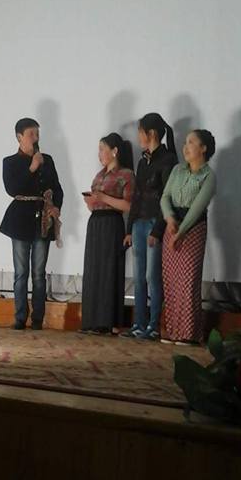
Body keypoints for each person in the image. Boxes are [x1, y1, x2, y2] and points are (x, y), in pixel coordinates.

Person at [0, 118, 63, 330]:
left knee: (38, 273)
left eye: (37, 134)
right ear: (19, 137)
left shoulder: (48, 160)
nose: (36, 138)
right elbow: (12, 189)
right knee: (21, 272)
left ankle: (37, 318)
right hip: (20, 220)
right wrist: (32, 167)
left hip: (42, 220)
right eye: (31, 134)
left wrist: (56, 207)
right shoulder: (10, 162)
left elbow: (57, 188)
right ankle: (20, 317)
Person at [121, 113, 177, 340]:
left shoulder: (168, 160)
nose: (138, 137)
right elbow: (136, 196)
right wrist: (129, 228)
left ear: (151, 133)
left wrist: (158, 230)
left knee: (153, 276)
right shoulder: (143, 161)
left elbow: (167, 197)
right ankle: (138, 323)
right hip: (139, 223)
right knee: (139, 277)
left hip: (155, 223)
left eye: (140, 132)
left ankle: (154, 325)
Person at [160, 129, 217, 345]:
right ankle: (172, 329)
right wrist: (169, 219)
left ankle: (189, 333)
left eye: (191, 142)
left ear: (203, 148)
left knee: (188, 280)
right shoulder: (177, 170)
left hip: (193, 229)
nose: (186, 147)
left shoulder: (209, 176)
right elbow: (165, 197)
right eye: (185, 142)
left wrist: (181, 231)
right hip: (172, 227)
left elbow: (197, 208)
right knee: (171, 280)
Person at [81, 133, 135, 334]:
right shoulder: (99, 175)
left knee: (108, 270)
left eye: (102, 149)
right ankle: (91, 320)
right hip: (95, 222)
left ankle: (107, 322)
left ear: (114, 151)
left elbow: (129, 205)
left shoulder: (126, 174)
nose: (99, 154)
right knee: (93, 269)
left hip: (112, 223)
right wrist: (91, 202)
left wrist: (103, 197)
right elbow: (96, 203)